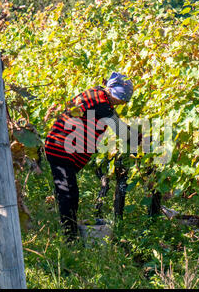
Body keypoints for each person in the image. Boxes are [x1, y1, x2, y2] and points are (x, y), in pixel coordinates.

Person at [44, 72, 141, 241]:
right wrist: (144, 142)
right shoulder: (100, 103)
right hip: (61, 148)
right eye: (120, 99)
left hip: (62, 148)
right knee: (68, 194)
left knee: (70, 193)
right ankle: (70, 238)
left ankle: (70, 234)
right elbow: (121, 130)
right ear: (112, 92)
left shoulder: (98, 95)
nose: (120, 103)